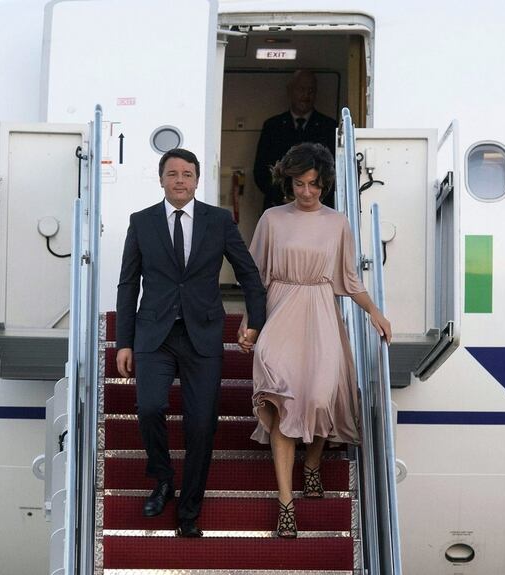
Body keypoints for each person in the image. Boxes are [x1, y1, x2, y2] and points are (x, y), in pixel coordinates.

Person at [238, 142, 392, 539]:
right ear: (288, 182)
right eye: (300, 184)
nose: (307, 192)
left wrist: (374, 311)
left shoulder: (338, 222)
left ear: (323, 184)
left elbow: (349, 278)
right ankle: (286, 504)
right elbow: (255, 277)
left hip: (322, 311)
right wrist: (249, 323)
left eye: (314, 185)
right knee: (282, 396)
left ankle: (312, 463)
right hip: (281, 309)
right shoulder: (272, 219)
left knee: (323, 395)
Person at [116, 148, 267, 538]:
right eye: (172, 174)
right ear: (161, 179)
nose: (179, 180)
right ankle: (163, 478)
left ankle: (189, 512)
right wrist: (124, 342)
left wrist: (256, 323)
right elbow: (129, 283)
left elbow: (248, 273)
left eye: (186, 174)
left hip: (201, 334)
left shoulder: (218, 221)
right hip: (155, 335)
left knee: (201, 427)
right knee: (149, 407)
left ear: (197, 180)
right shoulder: (142, 222)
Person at [253, 70, 339, 210]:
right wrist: (284, 196)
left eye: (311, 90)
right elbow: (261, 171)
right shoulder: (273, 126)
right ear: (290, 91)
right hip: (279, 206)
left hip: (318, 208)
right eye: (301, 89)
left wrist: (314, 197)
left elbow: (334, 171)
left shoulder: (329, 127)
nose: (306, 95)